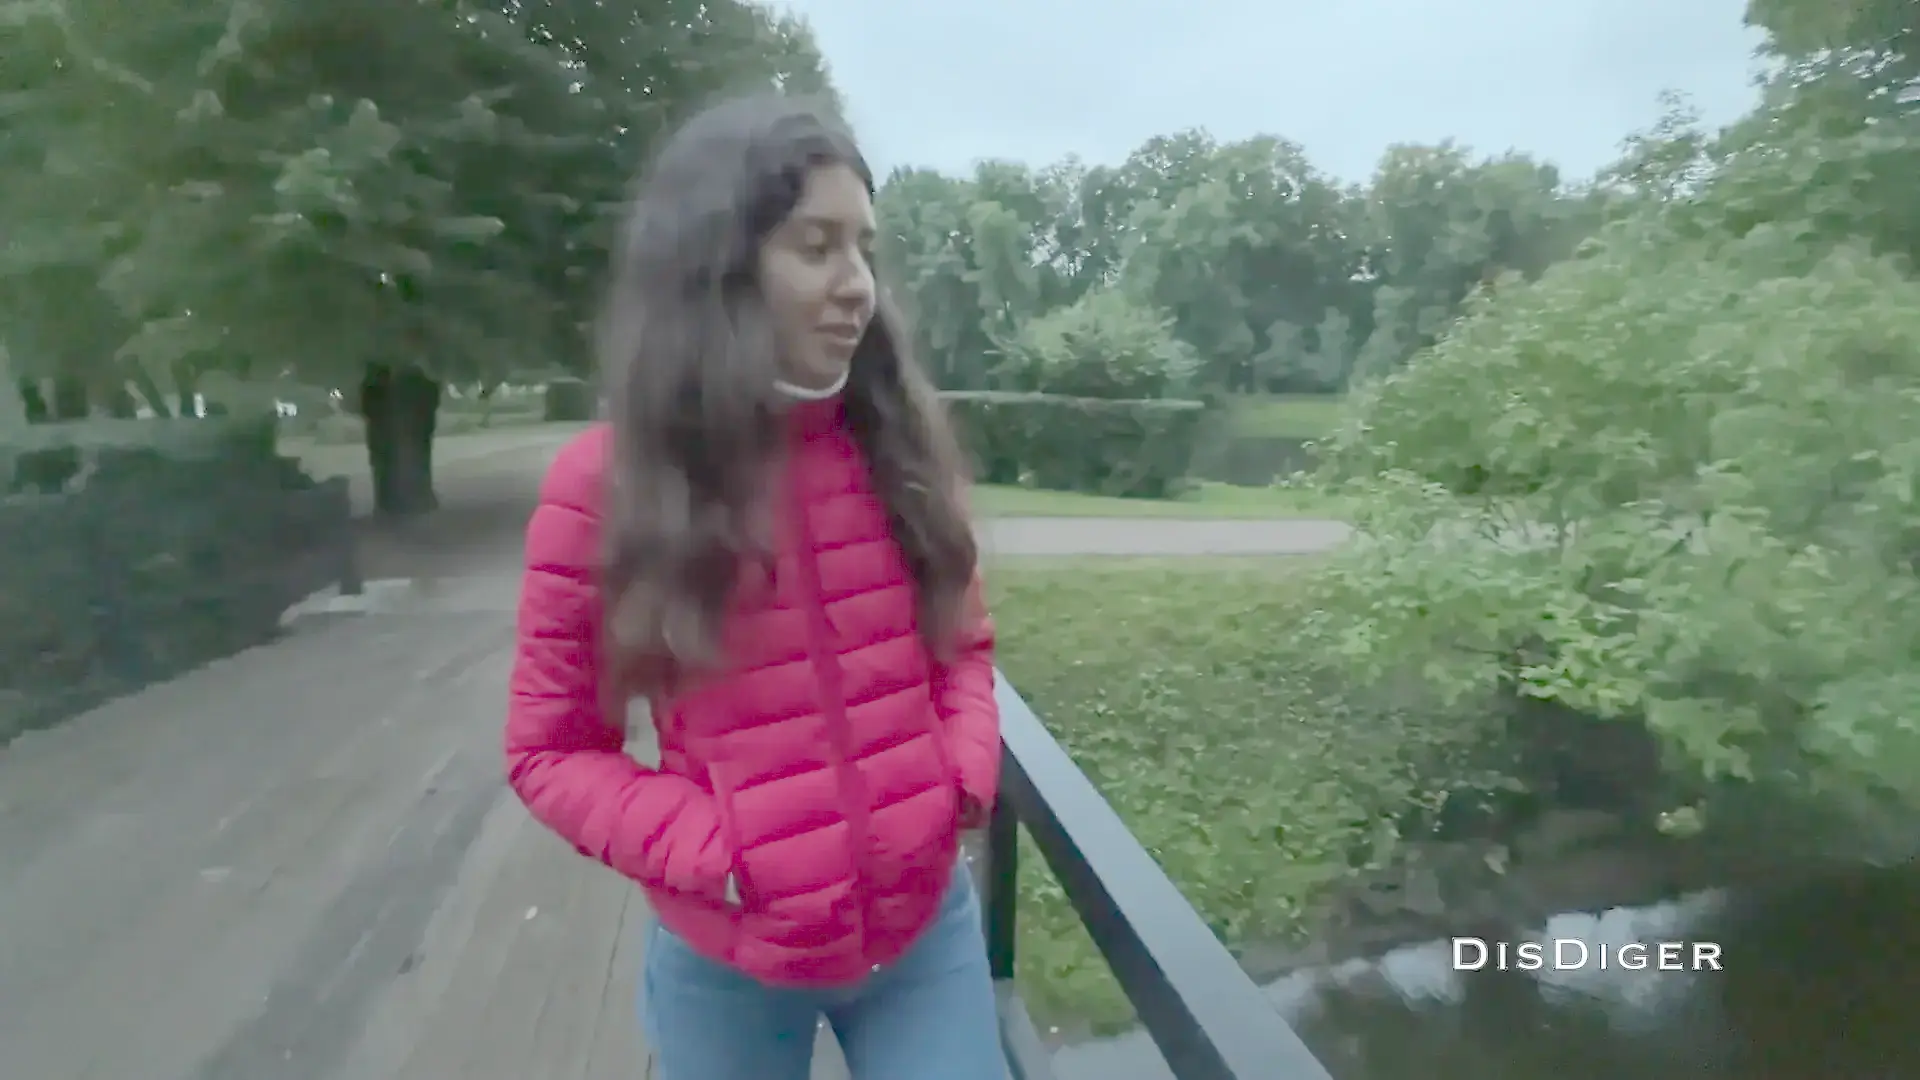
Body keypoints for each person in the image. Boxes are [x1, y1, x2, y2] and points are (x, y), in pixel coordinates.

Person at [502, 93, 1005, 1080]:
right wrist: (713, 851)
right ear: (719, 267)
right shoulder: (604, 488)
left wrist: (959, 782)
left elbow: (964, 649)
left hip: (923, 935)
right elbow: (548, 749)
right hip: (727, 962)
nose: (859, 286)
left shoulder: (898, 450)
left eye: (865, 250)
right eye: (817, 247)